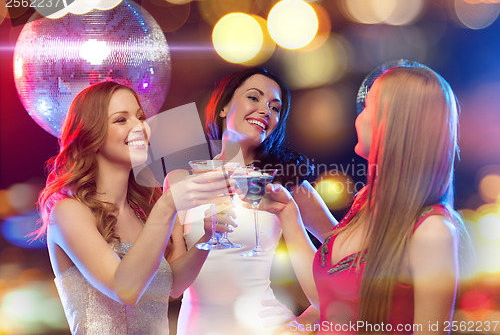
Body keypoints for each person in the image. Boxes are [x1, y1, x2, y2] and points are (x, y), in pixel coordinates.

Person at [258, 64, 468, 334]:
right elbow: (331, 296)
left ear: (395, 123)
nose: (358, 117)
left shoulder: (432, 231)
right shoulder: (364, 204)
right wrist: (290, 214)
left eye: (367, 107)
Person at [34, 81, 234, 335]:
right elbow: (125, 290)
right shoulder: (68, 212)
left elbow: (174, 285)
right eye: (121, 120)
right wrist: (169, 204)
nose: (140, 127)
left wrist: (209, 236)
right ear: (91, 136)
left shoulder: (145, 209)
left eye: (140, 117)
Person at [170, 67, 337, 335]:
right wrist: (205, 240)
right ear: (223, 106)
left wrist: (307, 321)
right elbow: (174, 286)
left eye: (275, 107)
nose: (265, 111)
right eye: (254, 98)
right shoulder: (181, 182)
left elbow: (348, 264)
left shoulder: (286, 184)